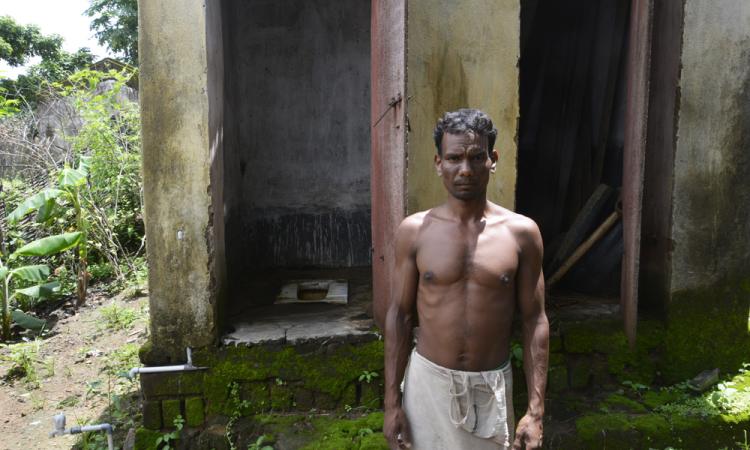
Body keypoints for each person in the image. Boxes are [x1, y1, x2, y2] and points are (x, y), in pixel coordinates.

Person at [383, 109, 549, 449]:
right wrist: (391, 404)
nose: (465, 170)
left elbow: (535, 319)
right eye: (454, 158)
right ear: (438, 162)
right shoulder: (414, 232)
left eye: (476, 157)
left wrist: (535, 412)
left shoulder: (522, 233)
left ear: (493, 159)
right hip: (427, 387)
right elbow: (399, 316)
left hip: (490, 390)